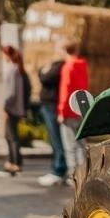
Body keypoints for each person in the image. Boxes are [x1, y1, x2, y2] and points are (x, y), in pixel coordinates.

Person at [56, 37, 90, 179]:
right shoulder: (82, 65)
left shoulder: (67, 67)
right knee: (81, 144)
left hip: (68, 110)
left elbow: (65, 90)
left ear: (64, 50)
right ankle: (84, 173)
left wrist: (61, 111)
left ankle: (73, 175)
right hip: (80, 107)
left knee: (70, 146)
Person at [0, 45, 30, 177]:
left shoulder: (12, 70)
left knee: (12, 136)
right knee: (10, 135)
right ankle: (13, 162)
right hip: (16, 107)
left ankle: (15, 163)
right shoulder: (17, 69)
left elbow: (10, 92)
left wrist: (5, 108)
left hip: (11, 108)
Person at [37, 54, 68, 187]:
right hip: (50, 105)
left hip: (52, 105)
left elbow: (44, 77)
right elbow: (41, 73)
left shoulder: (59, 65)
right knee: (54, 139)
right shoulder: (58, 65)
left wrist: (45, 70)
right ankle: (58, 168)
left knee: (56, 139)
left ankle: (58, 170)